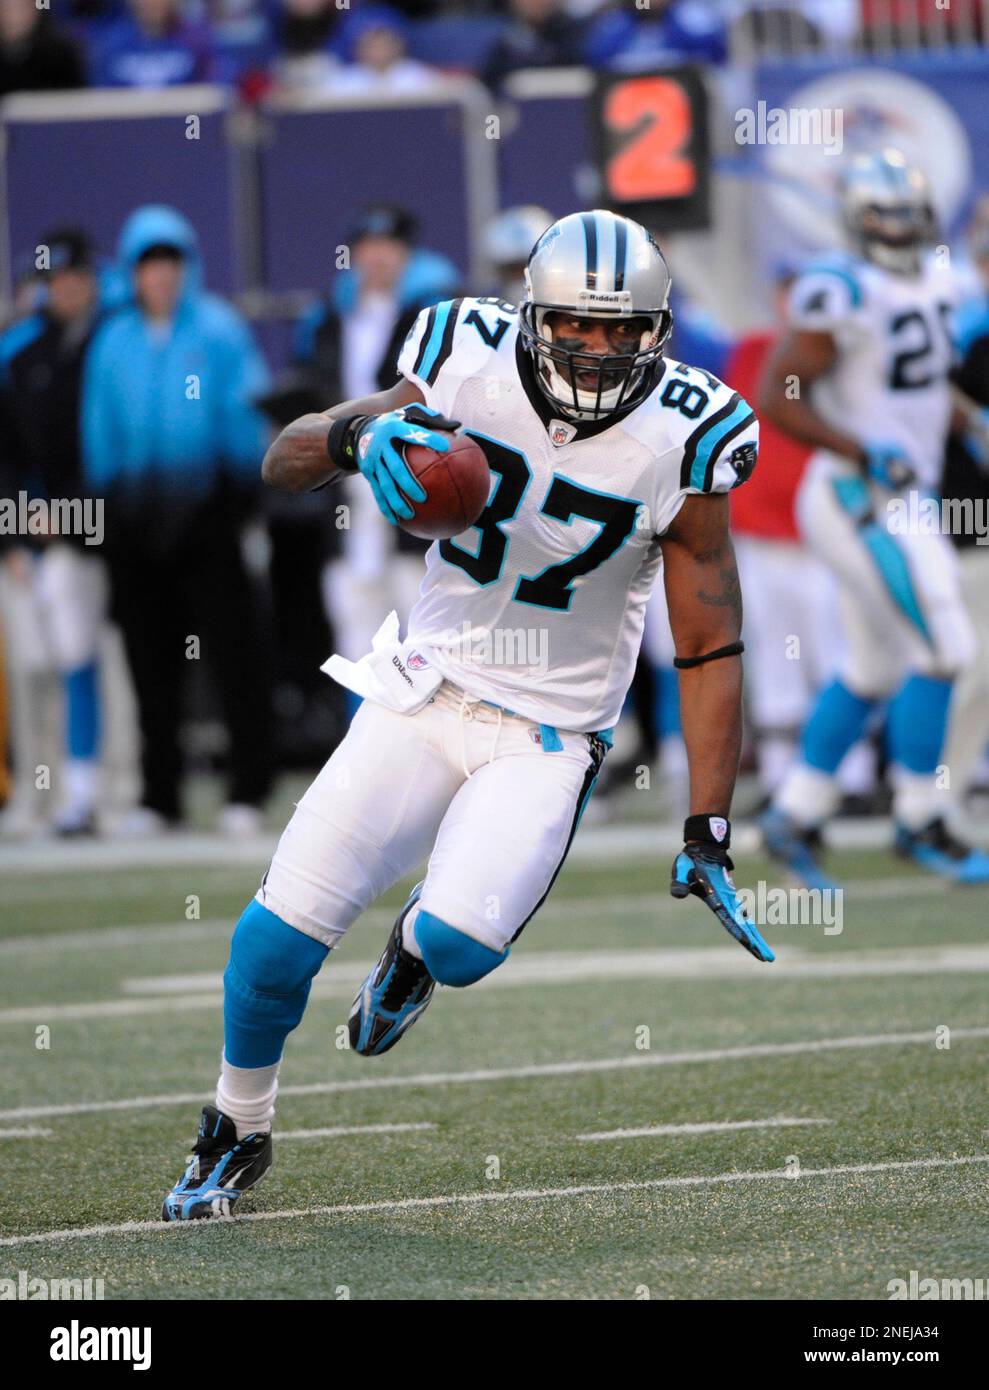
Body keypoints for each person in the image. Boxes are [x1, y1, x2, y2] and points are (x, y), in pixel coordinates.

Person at [161, 208, 772, 1222]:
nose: (598, 347)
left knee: (457, 943)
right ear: (533, 313)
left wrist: (705, 824)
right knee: (272, 942)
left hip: (546, 734)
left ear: (654, 331)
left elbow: (706, 642)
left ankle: (410, 948)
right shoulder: (462, 353)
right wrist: (360, 434)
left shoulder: (689, 430)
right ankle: (237, 1123)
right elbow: (285, 458)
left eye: (623, 330)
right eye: (577, 324)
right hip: (424, 690)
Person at [759, 150, 989, 887]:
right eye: (885, 216)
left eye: (908, 215)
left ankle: (795, 813)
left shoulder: (943, 280)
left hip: (903, 493)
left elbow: (918, 383)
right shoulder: (839, 289)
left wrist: (970, 420)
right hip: (857, 494)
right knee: (946, 647)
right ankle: (922, 816)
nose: (899, 229)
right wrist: (858, 447)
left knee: (871, 666)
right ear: (857, 222)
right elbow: (779, 392)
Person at [82, 205, 273, 835]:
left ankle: (248, 787)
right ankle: (158, 794)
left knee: (234, 655)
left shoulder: (217, 330)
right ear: (133, 273)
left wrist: (239, 495)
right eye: (148, 264)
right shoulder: (114, 340)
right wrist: (109, 506)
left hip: (209, 515)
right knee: (148, 661)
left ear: (185, 267)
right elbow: (99, 428)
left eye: (169, 263)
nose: (160, 276)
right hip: (137, 522)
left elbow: (247, 417)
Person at [294, 203, 459, 675]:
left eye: (389, 247)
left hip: (414, 478)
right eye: (369, 246)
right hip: (346, 481)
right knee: (354, 620)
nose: (378, 258)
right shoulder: (327, 320)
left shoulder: (430, 314)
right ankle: (363, 739)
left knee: (420, 613)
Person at [0, 229, 109, 835]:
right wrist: (14, 532)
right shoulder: (20, 356)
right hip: (32, 531)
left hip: (92, 532)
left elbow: (105, 448)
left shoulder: (108, 345)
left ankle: (89, 789)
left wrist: (74, 521)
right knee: (33, 666)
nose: (66, 288)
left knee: (80, 657)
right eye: (56, 278)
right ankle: (35, 792)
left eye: (76, 276)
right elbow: (8, 456)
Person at [88, 0, 215, 88]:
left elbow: (211, 92)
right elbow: (102, 97)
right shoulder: (111, 43)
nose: (154, 3)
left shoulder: (196, 41)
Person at [0, 0, 84, 95]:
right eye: (6, 7)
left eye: (21, 7)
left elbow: (74, 102)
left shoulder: (61, 55)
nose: (13, 17)